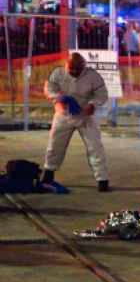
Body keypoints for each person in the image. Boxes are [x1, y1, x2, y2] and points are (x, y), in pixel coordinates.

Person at [40, 53, 111, 192]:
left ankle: (103, 180)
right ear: (67, 64)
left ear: (84, 66)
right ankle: (48, 174)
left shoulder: (93, 76)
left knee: (95, 147)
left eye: (78, 69)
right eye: (72, 68)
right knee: (55, 145)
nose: (74, 72)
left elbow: (102, 94)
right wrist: (61, 98)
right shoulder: (58, 73)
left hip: (85, 117)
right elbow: (49, 90)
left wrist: (93, 104)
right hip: (63, 115)